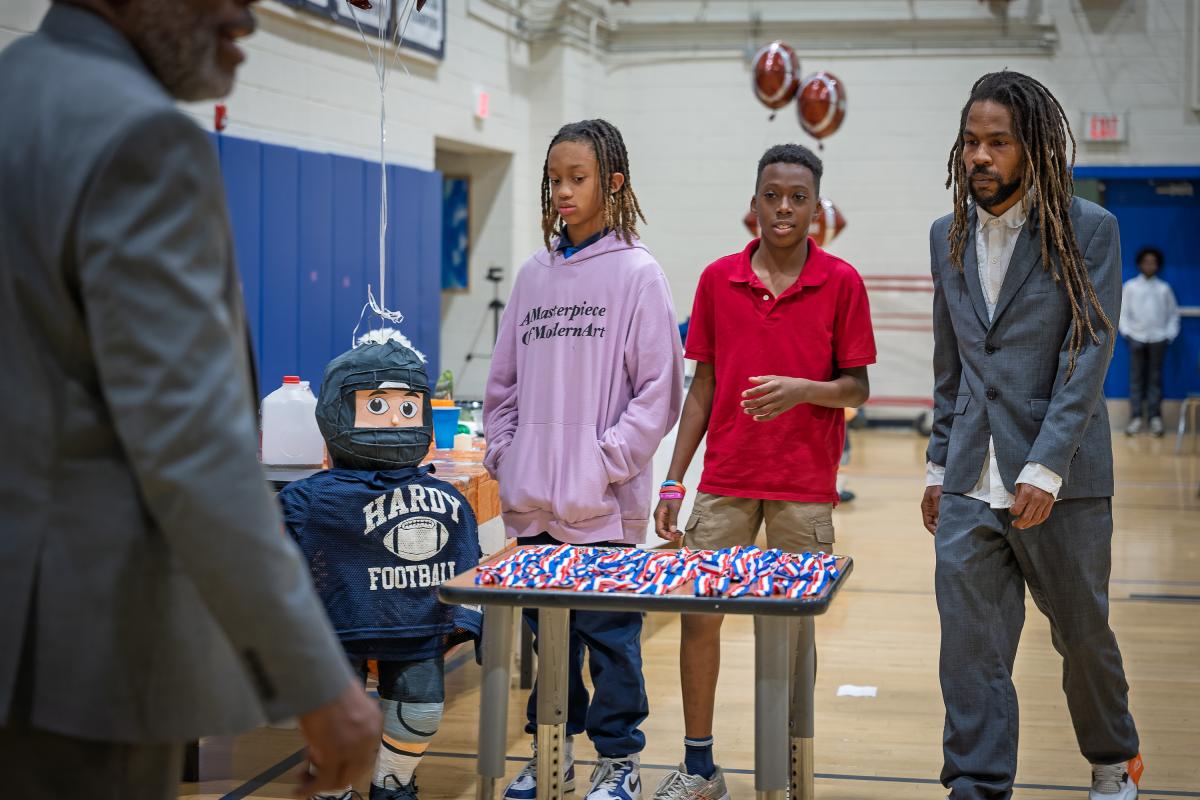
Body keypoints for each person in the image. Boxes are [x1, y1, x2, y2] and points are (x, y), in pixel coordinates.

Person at [0, 1, 381, 797]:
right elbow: (194, 453)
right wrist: (319, 679)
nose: (246, 14)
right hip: (79, 667)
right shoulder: (139, 136)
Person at [921, 70, 1142, 799]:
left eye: (998, 142)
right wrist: (937, 465)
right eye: (970, 141)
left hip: (1060, 480)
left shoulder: (1089, 229)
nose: (979, 156)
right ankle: (976, 785)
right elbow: (951, 363)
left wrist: (1046, 466)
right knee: (970, 654)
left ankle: (1112, 762)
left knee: (1082, 638)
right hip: (968, 479)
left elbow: (1088, 352)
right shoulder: (946, 235)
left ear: (1035, 148)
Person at [651, 143, 875, 800]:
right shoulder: (718, 280)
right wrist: (675, 478)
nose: (783, 208)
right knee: (700, 618)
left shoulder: (842, 282)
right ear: (754, 204)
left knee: (790, 630)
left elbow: (857, 388)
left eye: (797, 198)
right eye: (772, 195)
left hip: (803, 489)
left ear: (816, 208)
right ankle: (699, 768)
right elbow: (702, 385)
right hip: (723, 483)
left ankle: (789, 769)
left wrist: (804, 391)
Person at [484, 118, 684, 800]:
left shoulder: (638, 273)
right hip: (534, 503)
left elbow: (659, 393)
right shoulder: (533, 275)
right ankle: (552, 752)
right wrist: (508, 454)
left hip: (604, 507)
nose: (563, 192)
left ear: (613, 182)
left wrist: (605, 462)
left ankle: (619, 761)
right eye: (555, 180)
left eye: (578, 179)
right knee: (550, 643)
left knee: (611, 642)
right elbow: (503, 384)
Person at [279, 334, 483, 800]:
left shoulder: (447, 498)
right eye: (376, 405)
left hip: (417, 625)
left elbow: (467, 565)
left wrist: (467, 619)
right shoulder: (309, 499)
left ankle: (393, 784)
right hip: (335, 628)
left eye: (407, 407)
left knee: (420, 712)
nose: (393, 418)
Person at [1119, 247, 1180, 437]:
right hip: (1136, 338)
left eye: (1153, 262)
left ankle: (1155, 418)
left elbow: (1173, 315)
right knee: (1136, 379)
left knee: (1155, 379)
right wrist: (1127, 333)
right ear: (1139, 264)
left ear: (1158, 265)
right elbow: (1122, 313)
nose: (1149, 265)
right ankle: (1136, 418)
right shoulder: (1130, 287)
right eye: (1146, 262)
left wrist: (1169, 335)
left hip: (1158, 340)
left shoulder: (1164, 288)